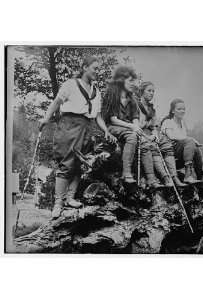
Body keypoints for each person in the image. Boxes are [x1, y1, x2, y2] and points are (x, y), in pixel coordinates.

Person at [40, 56, 116, 218]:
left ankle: (70, 198)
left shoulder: (97, 92)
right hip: (69, 125)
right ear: (84, 67)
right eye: (95, 68)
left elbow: (98, 116)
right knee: (66, 163)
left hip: (87, 127)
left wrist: (106, 131)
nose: (97, 72)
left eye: (99, 69)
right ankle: (58, 203)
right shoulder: (70, 84)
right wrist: (46, 118)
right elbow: (56, 103)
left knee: (80, 164)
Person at [101, 66, 161, 188]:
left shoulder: (132, 99)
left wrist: (137, 127)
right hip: (114, 127)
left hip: (128, 128)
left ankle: (151, 178)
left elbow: (135, 118)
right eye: (130, 81)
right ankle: (126, 173)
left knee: (142, 140)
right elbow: (113, 119)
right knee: (132, 136)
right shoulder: (111, 95)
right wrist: (132, 127)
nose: (133, 84)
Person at [138, 82, 186, 187]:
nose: (151, 93)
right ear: (142, 92)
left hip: (151, 133)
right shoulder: (136, 106)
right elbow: (137, 125)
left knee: (167, 144)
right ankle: (165, 177)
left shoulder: (151, 108)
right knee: (153, 146)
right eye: (149, 90)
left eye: (153, 91)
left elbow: (154, 126)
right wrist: (149, 132)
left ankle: (174, 177)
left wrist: (155, 133)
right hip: (140, 133)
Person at [161, 98, 203, 184]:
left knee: (196, 149)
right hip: (170, 155)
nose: (182, 111)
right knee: (190, 141)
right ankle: (188, 175)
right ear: (173, 111)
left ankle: (201, 176)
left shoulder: (183, 123)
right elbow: (171, 136)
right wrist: (191, 139)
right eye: (179, 109)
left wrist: (190, 141)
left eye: (183, 109)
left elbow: (184, 141)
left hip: (181, 155)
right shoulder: (168, 122)